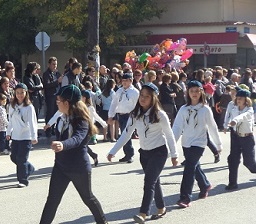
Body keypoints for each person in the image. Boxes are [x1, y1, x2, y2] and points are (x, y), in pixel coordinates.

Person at [107, 83, 178, 223]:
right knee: (154, 181)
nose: (143, 99)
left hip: (159, 152)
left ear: (153, 98)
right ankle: (161, 208)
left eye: (147, 96)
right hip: (144, 154)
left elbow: (169, 135)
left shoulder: (160, 114)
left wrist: (174, 155)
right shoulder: (135, 114)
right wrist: (113, 151)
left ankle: (143, 213)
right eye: (141, 96)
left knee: (149, 182)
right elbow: (126, 134)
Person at [39, 84, 107, 224]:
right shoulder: (61, 118)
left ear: (66, 103)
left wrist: (63, 144)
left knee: (88, 198)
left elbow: (77, 139)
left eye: (58, 101)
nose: (56, 103)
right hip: (61, 167)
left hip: (78, 168)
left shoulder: (82, 121)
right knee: (52, 200)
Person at [172, 80, 223, 208]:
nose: (194, 93)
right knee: (195, 166)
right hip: (186, 143)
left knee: (189, 168)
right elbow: (177, 128)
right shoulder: (183, 109)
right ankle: (205, 185)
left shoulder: (205, 109)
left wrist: (218, 144)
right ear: (187, 93)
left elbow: (212, 127)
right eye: (191, 91)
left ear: (201, 92)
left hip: (199, 143)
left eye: (196, 91)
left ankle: (185, 197)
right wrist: (171, 146)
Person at [6, 83, 38, 188]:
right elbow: (10, 120)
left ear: (26, 93)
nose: (20, 95)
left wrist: (34, 136)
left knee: (21, 159)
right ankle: (30, 168)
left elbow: (33, 122)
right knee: (14, 157)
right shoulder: (12, 106)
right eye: (18, 93)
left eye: (22, 93)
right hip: (15, 136)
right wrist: (8, 132)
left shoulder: (29, 107)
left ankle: (23, 180)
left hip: (26, 137)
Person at [225, 89, 256, 190]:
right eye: (237, 98)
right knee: (233, 159)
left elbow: (243, 116)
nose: (238, 100)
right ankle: (232, 183)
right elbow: (228, 115)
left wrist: (234, 120)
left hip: (247, 138)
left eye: (241, 98)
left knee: (249, 162)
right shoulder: (234, 108)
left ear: (246, 100)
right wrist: (226, 125)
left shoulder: (249, 110)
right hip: (235, 136)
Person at [108, 72, 140, 163]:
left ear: (131, 81)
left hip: (129, 115)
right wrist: (111, 116)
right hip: (120, 115)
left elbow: (138, 104)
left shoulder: (134, 92)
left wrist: (136, 114)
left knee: (126, 134)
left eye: (126, 81)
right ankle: (126, 154)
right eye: (123, 81)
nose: (124, 82)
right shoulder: (119, 91)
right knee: (123, 134)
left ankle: (130, 154)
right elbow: (114, 104)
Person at [82, 90, 107, 166]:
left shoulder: (90, 108)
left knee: (82, 145)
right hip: (82, 128)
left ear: (85, 98)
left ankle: (84, 161)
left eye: (81, 97)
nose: (80, 98)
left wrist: (104, 124)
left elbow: (96, 117)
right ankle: (93, 156)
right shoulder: (80, 106)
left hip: (89, 129)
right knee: (82, 145)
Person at [43, 57, 62, 137]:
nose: (54, 66)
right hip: (50, 96)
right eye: (53, 64)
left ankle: (53, 128)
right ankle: (48, 130)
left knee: (56, 113)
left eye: (56, 64)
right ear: (49, 64)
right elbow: (47, 85)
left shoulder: (57, 73)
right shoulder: (46, 74)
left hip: (57, 95)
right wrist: (57, 81)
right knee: (50, 113)